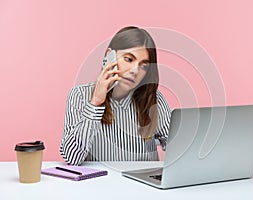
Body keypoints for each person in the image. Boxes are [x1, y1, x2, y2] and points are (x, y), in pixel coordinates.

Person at [60, 26, 171, 165]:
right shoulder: (79, 96)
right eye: (129, 59)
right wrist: (95, 103)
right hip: (98, 184)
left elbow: (178, 147)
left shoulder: (153, 99)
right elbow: (72, 158)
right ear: (109, 56)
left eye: (143, 66)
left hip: (142, 185)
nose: (135, 70)